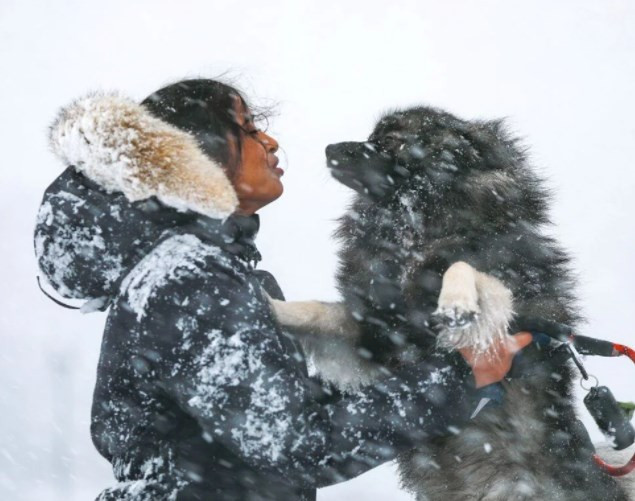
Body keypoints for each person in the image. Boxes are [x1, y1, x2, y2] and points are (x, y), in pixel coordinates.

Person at [35, 79, 531, 500]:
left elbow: (288, 415)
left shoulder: (204, 272)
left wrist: (425, 362)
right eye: (248, 130)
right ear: (193, 153)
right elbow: (293, 443)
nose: (269, 142)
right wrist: (459, 376)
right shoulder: (188, 277)